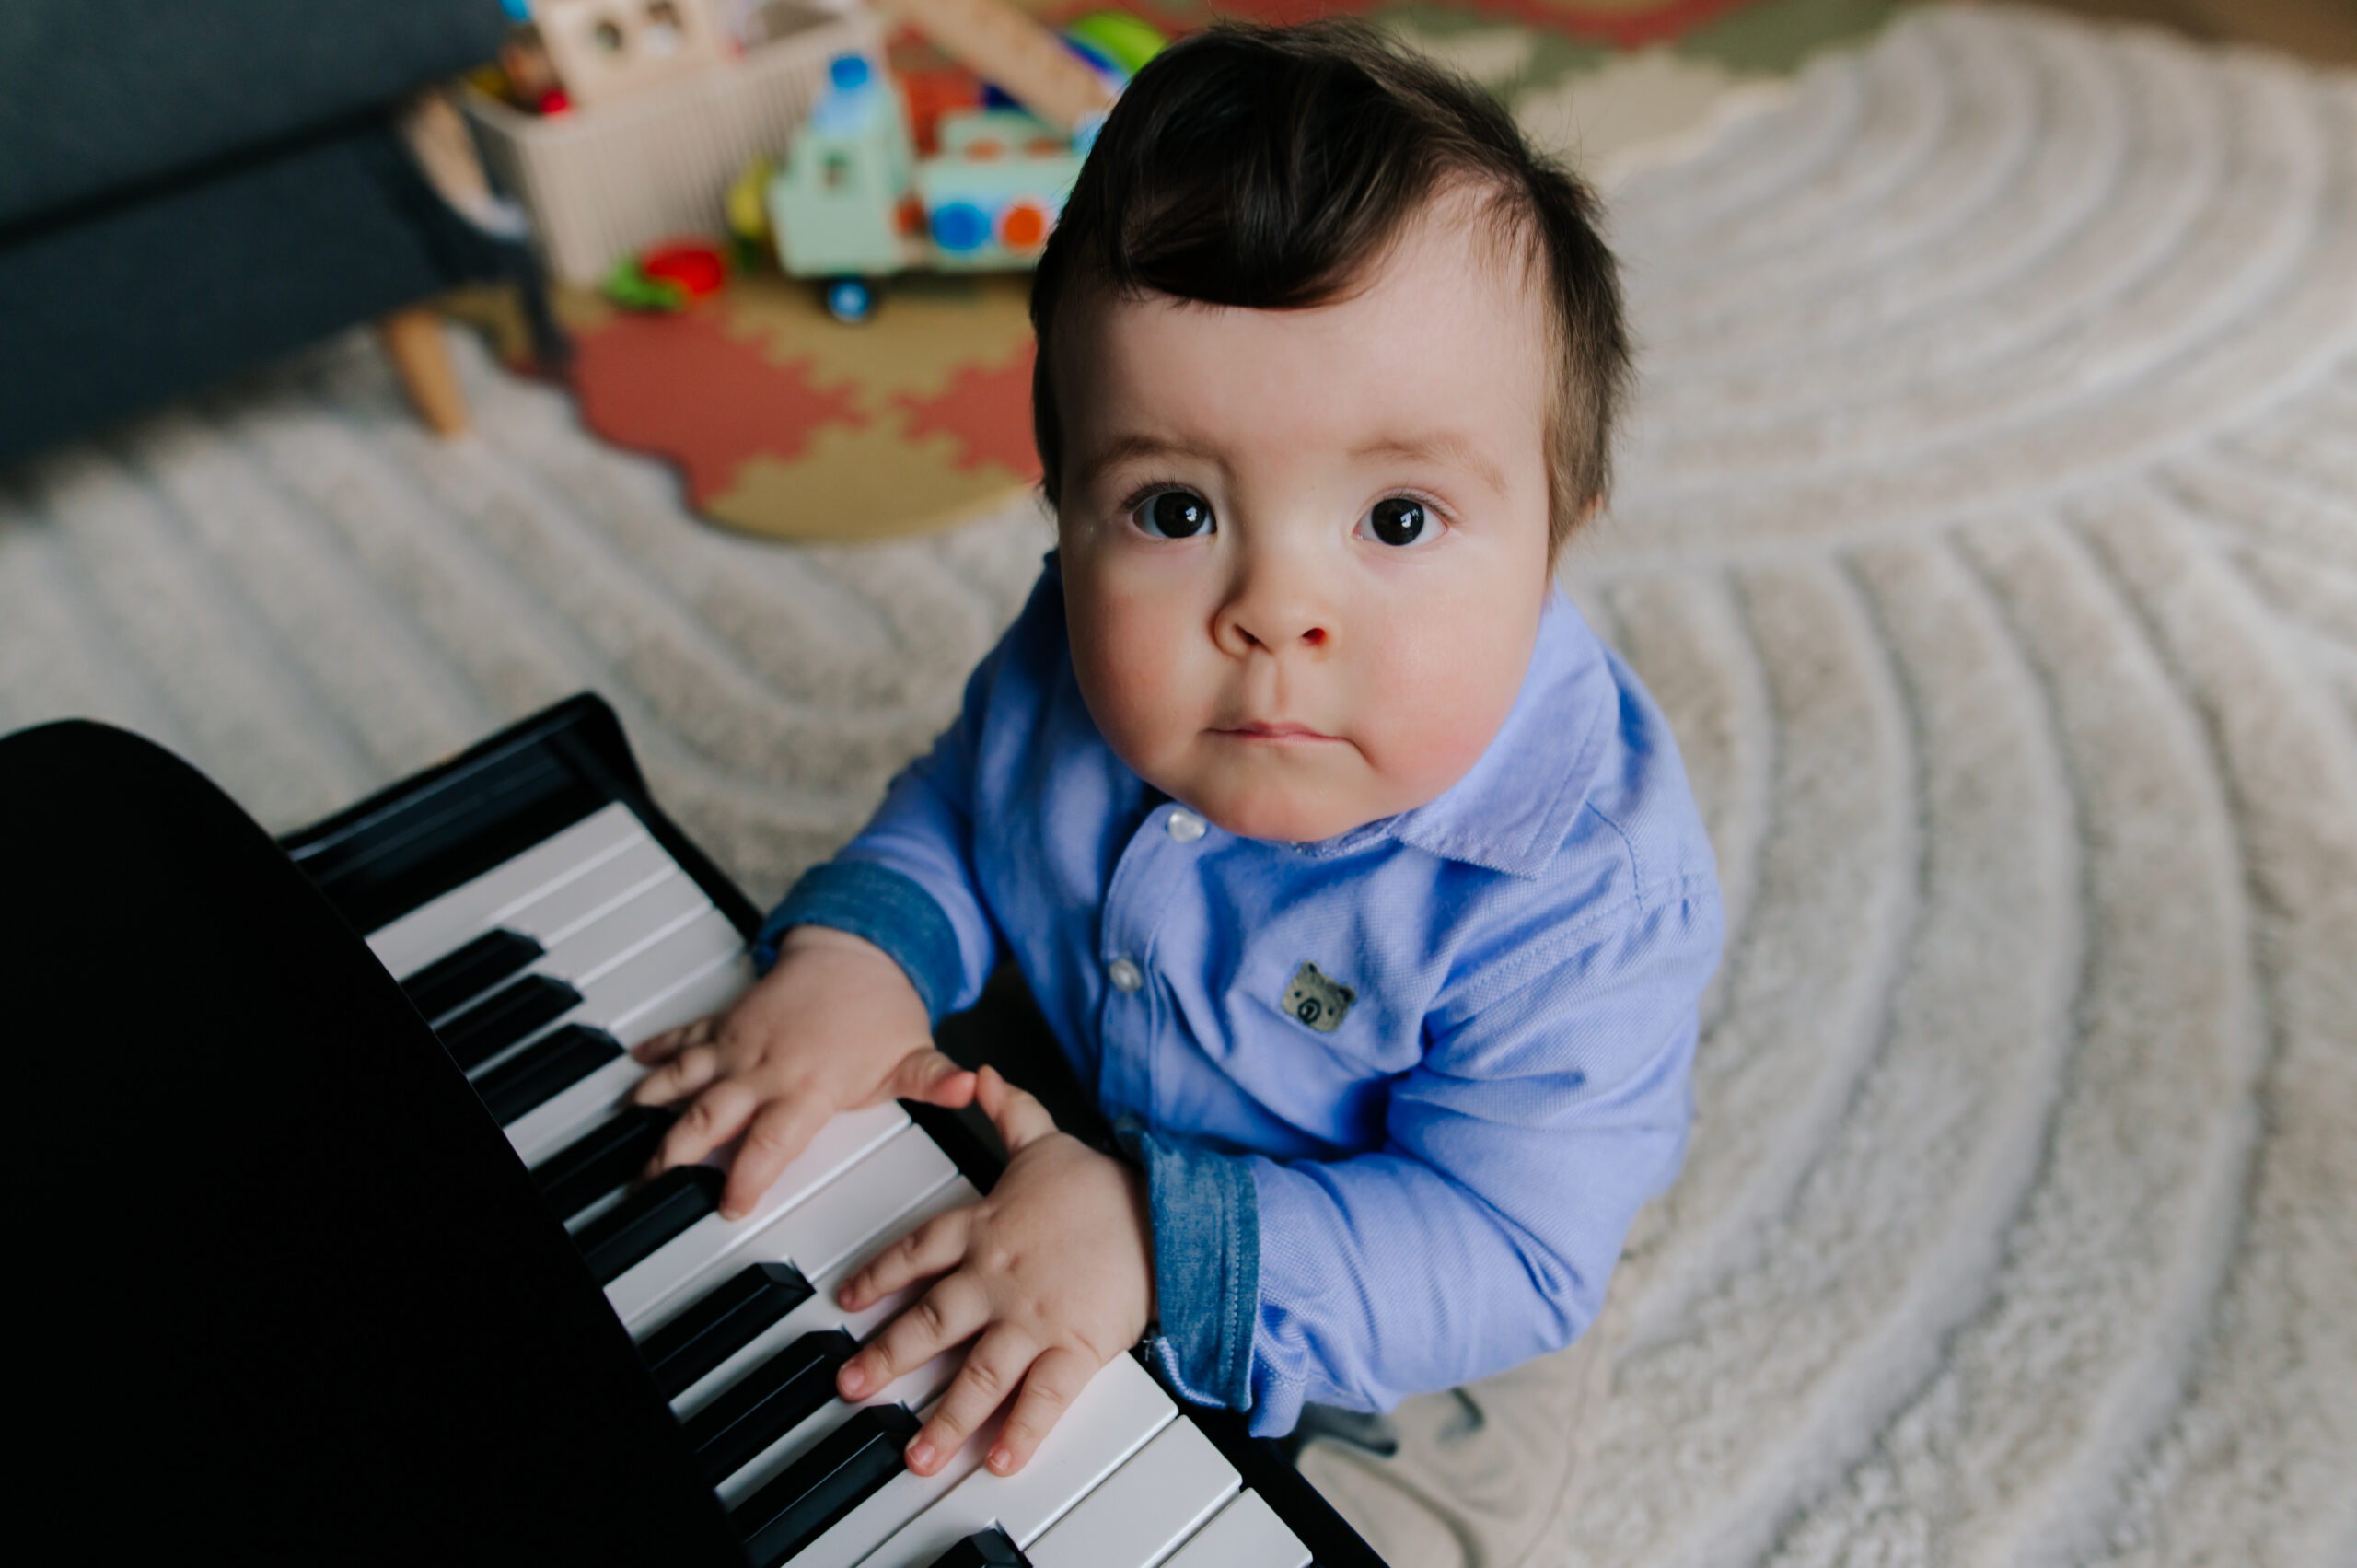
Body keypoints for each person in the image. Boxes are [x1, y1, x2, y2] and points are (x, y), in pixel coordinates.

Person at [628, 17, 1724, 1501]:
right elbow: (962, 809)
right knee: (816, 1303)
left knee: (1392, 1518)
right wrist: (860, 951)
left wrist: (1154, 1243)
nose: (1275, 610)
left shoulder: (1580, 892)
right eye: (1172, 510)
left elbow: (1506, 1245)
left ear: (1556, 538)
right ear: (1064, 505)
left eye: (1397, 520)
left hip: (1390, 1261)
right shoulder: (1073, 656)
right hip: (1079, 1073)